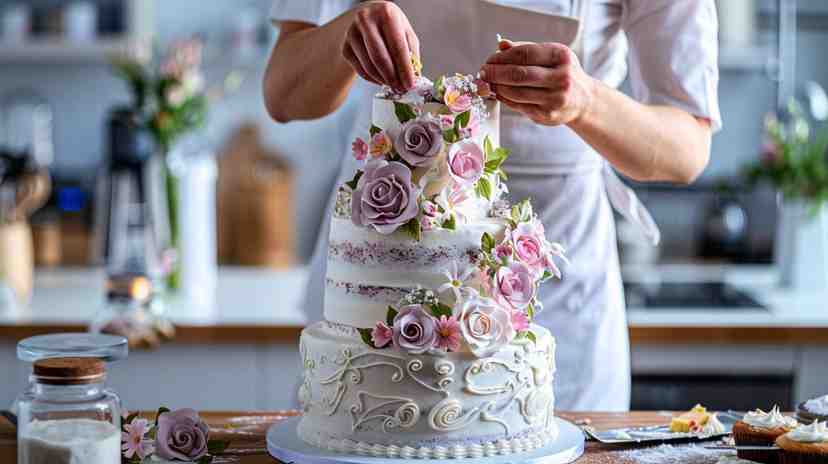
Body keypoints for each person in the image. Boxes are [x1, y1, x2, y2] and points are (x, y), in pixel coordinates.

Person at [263, 0, 720, 411]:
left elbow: (687, 149)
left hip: (554, 289)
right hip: (383, 259)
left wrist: (587, 101)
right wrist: (344, 34)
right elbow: (283, 93)